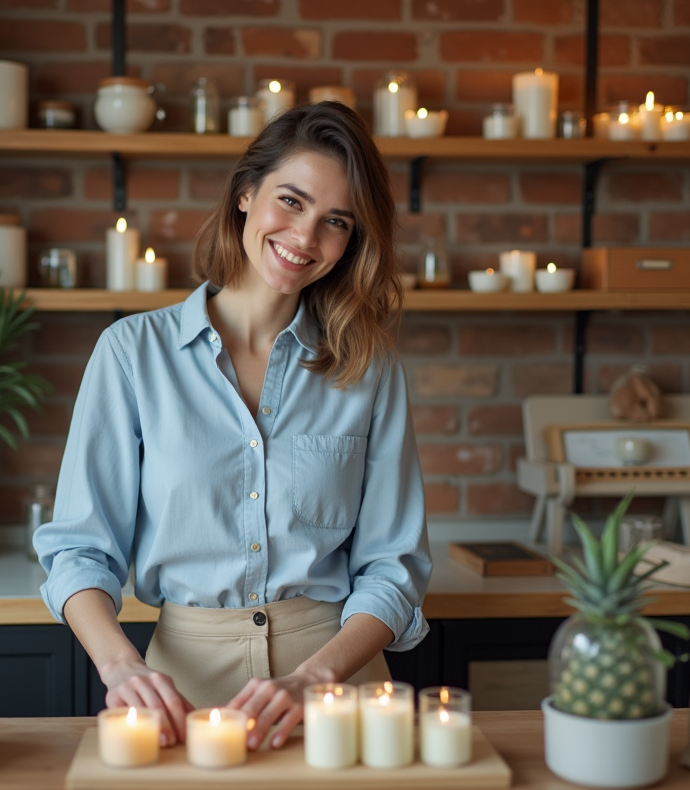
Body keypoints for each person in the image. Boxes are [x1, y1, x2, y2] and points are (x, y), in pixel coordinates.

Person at [34, 101, 431, 752]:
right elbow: (80, 551)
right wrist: (120, 665)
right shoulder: (132, 353)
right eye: (292, 201)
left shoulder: (370, 367)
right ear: (246, 194)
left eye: (336, 221)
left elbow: (394, 565)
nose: (305, 238)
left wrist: (319, 677)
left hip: (335, 684)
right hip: (177, 692)